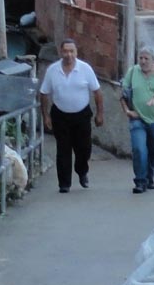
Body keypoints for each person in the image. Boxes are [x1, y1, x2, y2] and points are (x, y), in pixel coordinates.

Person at [40, 39, 105, 193]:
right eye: (65, 51)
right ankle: (64, 183)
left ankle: (82, 171)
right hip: (60, 115)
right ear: (60, 52)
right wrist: (46, 116)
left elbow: (97, 92)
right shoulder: (53, 70)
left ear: (76, 52)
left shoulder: (85, 69)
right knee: (63, 149)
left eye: (71, 51)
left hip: (82, 115)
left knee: (84, 148)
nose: (68, 55)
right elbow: (43, 93)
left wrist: (100, 114)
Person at [120, 45, 154, 194]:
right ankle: (140, 181)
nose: (142, 61)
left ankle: (149, 178)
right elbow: (123, 94)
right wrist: (127, 111)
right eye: (140, 58)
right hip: (137, 119)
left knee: (152, 151)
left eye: (146, 58)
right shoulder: (133, 72)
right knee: (139, 149)